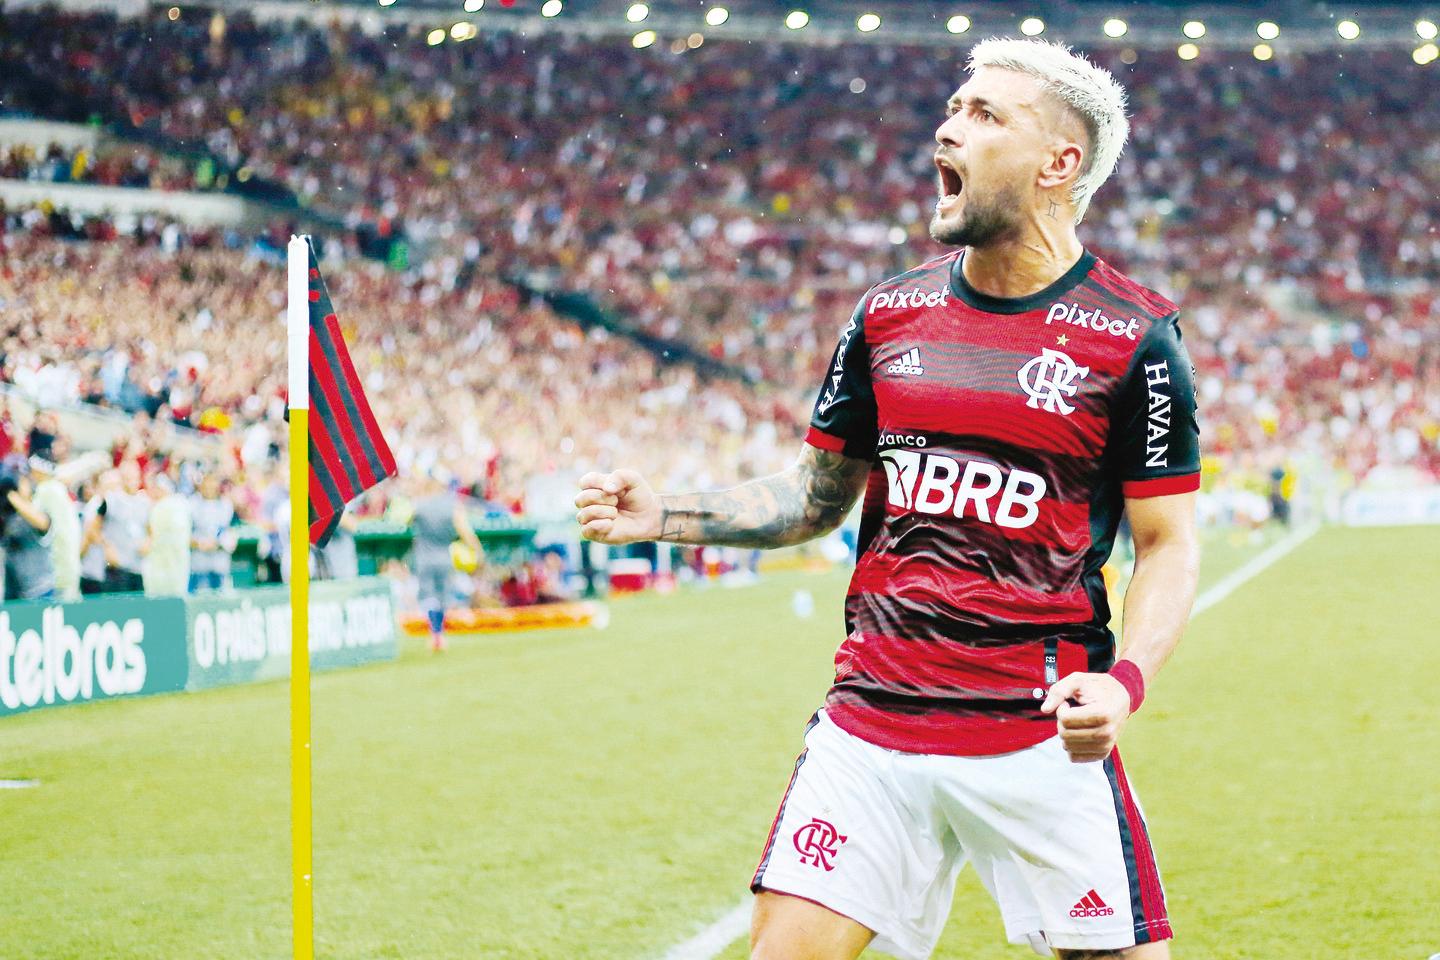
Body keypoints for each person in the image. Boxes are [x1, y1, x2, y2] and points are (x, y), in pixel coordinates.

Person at [575, 39, 1201, 960]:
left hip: (1039, 735)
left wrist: (1125, 682)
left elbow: (1169, 544)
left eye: (987, 115)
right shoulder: (886, 316)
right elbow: (813, 496)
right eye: (955, 107)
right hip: (870, 726)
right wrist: (661, 515)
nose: (948, 127)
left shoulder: (1134, 338)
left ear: (1057, 164)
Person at [410, 471, 483, 651]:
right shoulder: (452, 505)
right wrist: (477, 550)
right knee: (442, 597)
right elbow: (464, 530)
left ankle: (434, 633)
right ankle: (439, 633)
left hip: (424, 557)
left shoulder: (419, 505)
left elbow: (400, 521)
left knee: (428, 596)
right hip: (444, 555)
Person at [28, 456, 82, 601]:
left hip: (56, 566)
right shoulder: (59, 489)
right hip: (70, 563)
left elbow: (33, 520)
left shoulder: (45, 489)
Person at [1, 470, 56, 601]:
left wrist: (10, 494)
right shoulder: (8, 517)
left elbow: (42, 523)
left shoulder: (37, 510)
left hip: (40, 590)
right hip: (15, 593)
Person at [141, 472, 192, 596]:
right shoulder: (182, 505)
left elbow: (150, 536)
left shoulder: (162, 507)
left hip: (162, 570)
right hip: (177, 568)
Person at [189, 470, 236, 592]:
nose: (209, 485)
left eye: (213, 481)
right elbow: (183, 536)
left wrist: (220, 542)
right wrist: (199, 543)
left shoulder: (226, 505)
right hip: (199, 566)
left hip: (220, 565)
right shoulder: (191, 504)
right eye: (206, 481)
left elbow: (230, 532)